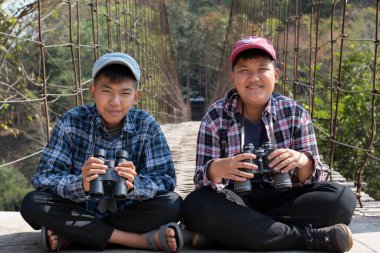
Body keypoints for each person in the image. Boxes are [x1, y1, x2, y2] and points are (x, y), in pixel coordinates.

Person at [182, 36, 357, 252]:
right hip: (236, 198)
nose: (253, 78)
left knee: (343, 200)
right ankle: (308, 238)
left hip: (284, 197)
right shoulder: (216, 116)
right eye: (244, 70)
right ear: (233, 77)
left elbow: (315, 179)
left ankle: (229, 232)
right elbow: (202, 180)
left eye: (262, 69)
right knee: (195, 205)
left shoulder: (295, 113)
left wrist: (302, 161)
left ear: (275, 75)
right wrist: (219, 168)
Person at [20, 52, 184, 252]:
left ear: (136, 97)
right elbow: (43, 179)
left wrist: (135, 185)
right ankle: (136, 240)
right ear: (92, 91)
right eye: (106, 91)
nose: (115, 102)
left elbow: (166, 180)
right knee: (31, 203)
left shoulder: (146, 125)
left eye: (125, 93)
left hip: (123, 211)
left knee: (173, 204)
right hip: (80, 207)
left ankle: (74, 235)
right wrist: (82, 184)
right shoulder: (72, 122)